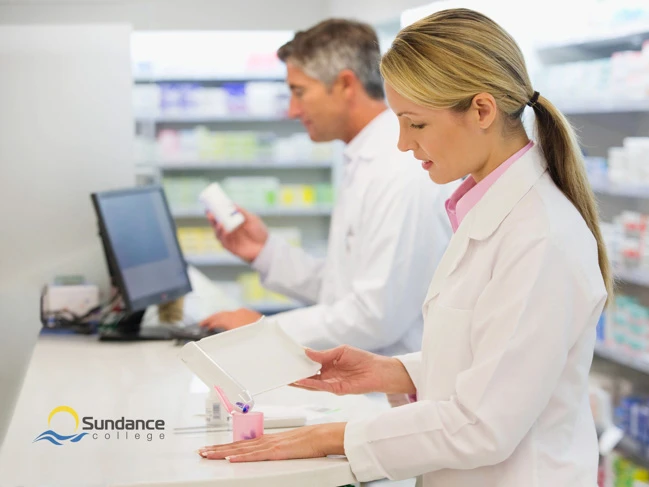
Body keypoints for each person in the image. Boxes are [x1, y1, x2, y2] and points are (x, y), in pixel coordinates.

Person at [196, 8, 613, 487]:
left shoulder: (541, 236)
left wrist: (336, 437)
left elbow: (484, 425)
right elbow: (491, 358)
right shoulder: (488, 209)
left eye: (414, 124)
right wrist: (394, 372)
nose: (401, 144)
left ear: (481, 110)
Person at [200, 19, 453, 357]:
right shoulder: (364, 160)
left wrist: (264, 331)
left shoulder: (400, 168)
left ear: (345, 84)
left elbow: (375, 316)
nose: (292, 110)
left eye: (299, 91)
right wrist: (264, 251)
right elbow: (343, 291)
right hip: (367, 379)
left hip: (396, 389)